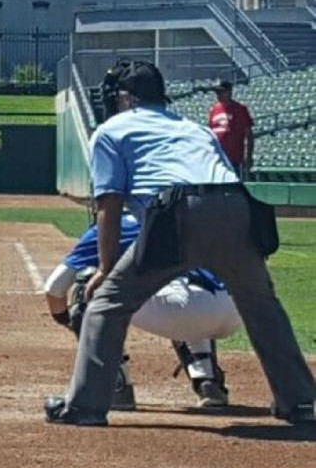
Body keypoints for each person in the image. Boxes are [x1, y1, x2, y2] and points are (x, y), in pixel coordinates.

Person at [44, 59, 315, 427]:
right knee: (264, 307)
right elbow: (225, 179)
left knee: (106, 303)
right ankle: (299, 403)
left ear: (125, 98)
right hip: (236, 206)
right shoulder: (195, 128)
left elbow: (108, 205)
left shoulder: (111, 131)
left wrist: (106, 270)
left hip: (174, 213)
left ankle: (85, 406)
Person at [44, 213, 242, 409]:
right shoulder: (192, 219)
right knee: (185, 291)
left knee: (88, 285)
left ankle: (115, 386)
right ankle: (208, 381)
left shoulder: (116, 225)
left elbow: (54, 287)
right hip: (234, 309)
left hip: (182, 310)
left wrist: (67, 320)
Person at [207, 80, 254, 179]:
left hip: (234, 159)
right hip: (217, 159)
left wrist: (248, 157)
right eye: (217, 92)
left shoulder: (240, 109)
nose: (218, 95)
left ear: (229, 92)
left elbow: (249, 135)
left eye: (221, 92)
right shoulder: (214, 109)